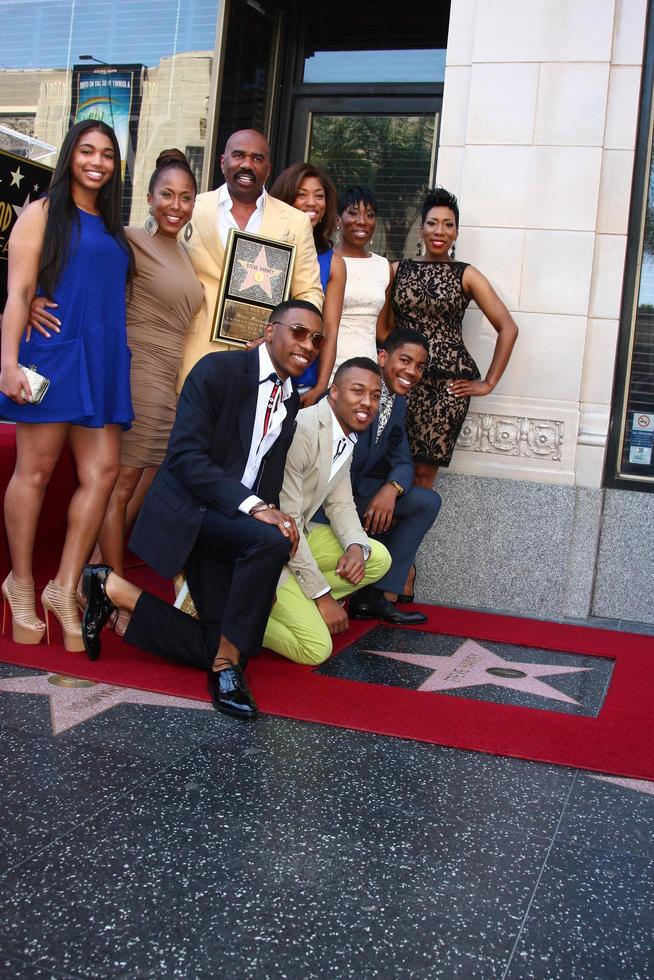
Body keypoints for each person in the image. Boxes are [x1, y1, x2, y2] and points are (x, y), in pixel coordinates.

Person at [80, 301, 325, 721]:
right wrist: (259, 510)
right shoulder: (218, 371)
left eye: (317, 339)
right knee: (267, 545)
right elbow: (185, 458)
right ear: (270, 331)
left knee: (224, 636)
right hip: (188, 513)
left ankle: (114, 591)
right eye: (299, 331)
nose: (308, 344)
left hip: (229, 523)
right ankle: (225, 670)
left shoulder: (288, 403)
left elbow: (267, 479)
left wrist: (272, 517)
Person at [30, 152, 203, 600]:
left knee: (134, 486)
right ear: (149, 198)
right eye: (166, 194)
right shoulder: (124, 240)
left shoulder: (185, 253)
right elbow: (74, 272)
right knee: (119, 486)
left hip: (169, 380)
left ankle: (94, 573)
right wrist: (34, 299)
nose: (175, 205)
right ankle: (113, 586)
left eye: (186, 197)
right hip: (136, 373)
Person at [0, 120, 133, 651]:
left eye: (106, 154)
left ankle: (65, 585)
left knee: (103, 473)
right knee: (34, 472)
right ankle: (21, 583)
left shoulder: (112, 224)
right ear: (69, 156)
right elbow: (19, 291)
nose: (97, 162)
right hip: (53, 357)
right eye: (86, 151)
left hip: (101, 360)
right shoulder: (42, 211)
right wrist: (7, 361)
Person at [262, 357, 392, 666]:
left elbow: (341, 504)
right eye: (357, 391)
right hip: (270, 547)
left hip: (299, 536)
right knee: (316, 649)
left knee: (376, 557)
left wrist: (355, 547)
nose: (367, 402)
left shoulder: (345, 433)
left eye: (375, 396)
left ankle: (300, 597)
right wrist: (322, 596)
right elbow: (287, 522)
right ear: (333, 391)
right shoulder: (304, 428)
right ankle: (229, 613)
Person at [388, 187, 518, 489]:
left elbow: (508, 328)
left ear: (456, 232)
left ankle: (409, 534)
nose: (440, 231)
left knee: (421, 476)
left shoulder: (467, 274)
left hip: (444, 392)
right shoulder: (397, 270)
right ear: (421, 228)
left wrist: (488, 383)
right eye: (433, 222)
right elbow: (383, 329)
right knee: (387, 465)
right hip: (400, 382)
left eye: (448, 224)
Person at [178, 129, 324, 385]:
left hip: (261, 362)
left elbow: (310, 294)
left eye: (257, 158)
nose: (247, 164)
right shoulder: (192, 208)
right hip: (194, 356)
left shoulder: (295, 222)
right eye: (238, 156)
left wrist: (277, 333)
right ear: (223, 162)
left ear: (268, 169)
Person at [346, 329, 441, 624]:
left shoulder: (398, 403)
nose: (412, 372)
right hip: (328, 498)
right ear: (383, 357)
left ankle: (377, 596)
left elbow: (403, 460)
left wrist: (392, 488)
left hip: (361, 491)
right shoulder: (355, 387)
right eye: (406, 360)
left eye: (420, 366)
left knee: (427, 502)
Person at [269, 163, 346, 406]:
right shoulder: (267, 247)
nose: (311, 202)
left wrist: (321, 386)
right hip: (263, 369)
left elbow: (330, 329)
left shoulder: (334, 263)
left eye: (319, 196)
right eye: (301, 194)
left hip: (304, 381)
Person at [332, 186, 393, 375]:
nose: (362, 221)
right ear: (338, 221)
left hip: (368, 369)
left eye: (370, 215)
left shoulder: (383, 266)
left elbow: (381, 331)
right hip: (327, 367)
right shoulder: (324, 260)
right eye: (353, 213)